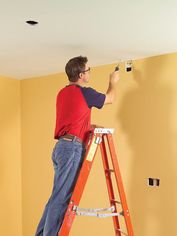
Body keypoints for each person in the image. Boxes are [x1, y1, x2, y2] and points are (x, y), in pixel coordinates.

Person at [35, 56, 119, 236]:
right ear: (81, 74)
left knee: (56, 197)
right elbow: (110, 98)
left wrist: (89, 126)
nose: (89, 73)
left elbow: (72, 117)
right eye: (88, 70)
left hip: (60, 148)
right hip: (71, 150)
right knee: (61, 199)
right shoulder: (85, 93)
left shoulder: (62, 93)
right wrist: (112, 81)